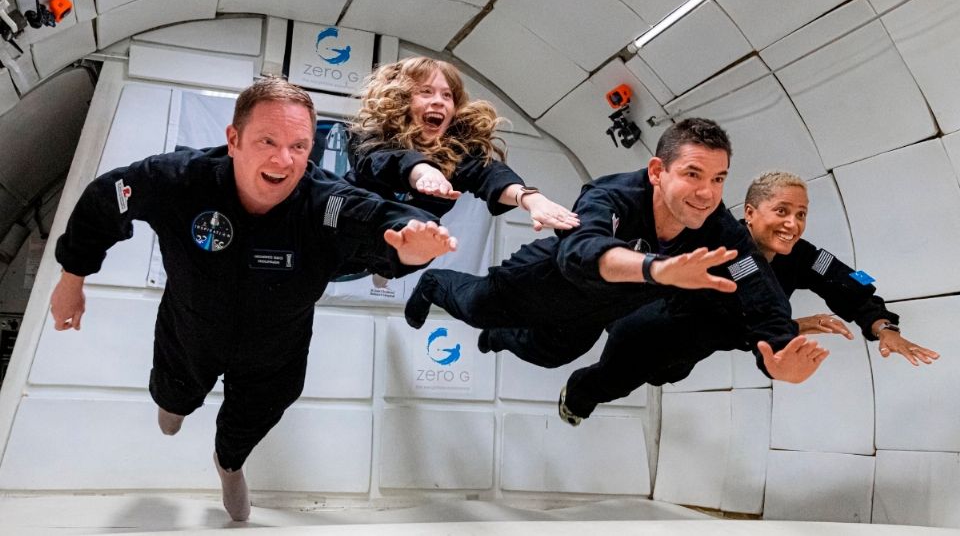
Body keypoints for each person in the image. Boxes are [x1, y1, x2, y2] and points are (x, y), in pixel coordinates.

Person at [49, 78, 457, 522]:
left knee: (246, 425)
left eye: (300, 147)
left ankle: (229, 465)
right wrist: (73, 278)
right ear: (234, 139)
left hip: (275, 351)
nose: (284, 160)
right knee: (172, 402)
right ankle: (175, 405)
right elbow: (103, 202)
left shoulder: (324, 202)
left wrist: (410, 250)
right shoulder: (181, 180)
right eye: (268, 141)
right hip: (189, 331)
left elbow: (385, 221)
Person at [404, 118, 826, 400]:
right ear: (658, 170)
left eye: (718, 179)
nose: (706, 193)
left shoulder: (718, 226)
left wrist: (779, 354)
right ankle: (434, 284)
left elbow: (757, 286)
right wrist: (653, 269)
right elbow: (578, 251)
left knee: (551, 354)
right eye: (693, 174)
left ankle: (497, 338)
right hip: (540, 281)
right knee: (478, 308)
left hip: (596, 310)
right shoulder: (613, 194)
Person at [559, 170, 938, 426]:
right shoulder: (713, 241)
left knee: (669, 374)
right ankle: (574, 395)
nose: (793, 223)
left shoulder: (803, 256)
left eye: (801, 214)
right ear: (752, 214)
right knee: (606, 384)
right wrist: (791, 327)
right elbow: (730, 315)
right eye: (782, 211)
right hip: (648, 331)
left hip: (691, 351)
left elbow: (847, 282)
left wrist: (882, 326)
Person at [347, 56, 580, 231]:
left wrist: (531, 199)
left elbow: (490, 174)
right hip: (343, 224)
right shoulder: (372, 134)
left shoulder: (457, 152)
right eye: (426, 92)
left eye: (447, 95)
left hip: (393, 248)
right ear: (401, 99)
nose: (439, 101)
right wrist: (423, 171)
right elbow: (379, 159)